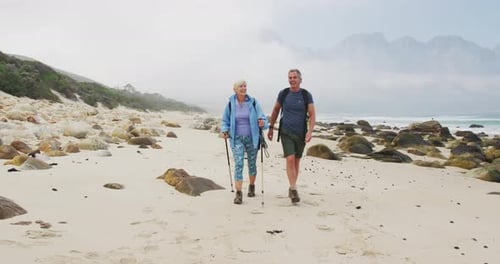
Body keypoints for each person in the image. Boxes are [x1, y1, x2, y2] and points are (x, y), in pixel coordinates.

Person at [267, 69, 316, 203]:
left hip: (300, 133)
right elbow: (276, 110)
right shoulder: (284, 94)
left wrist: (310, 131)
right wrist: (271, 127)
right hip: (286, 132)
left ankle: (292, 186)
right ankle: (293, 189)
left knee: (296, 161)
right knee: (290, 159)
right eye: (290, 77)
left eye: (294, 77)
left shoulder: (306, 95)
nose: (292, 80)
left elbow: (312, 114)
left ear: (300, 79)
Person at [221, 80, 268, 204]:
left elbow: (262, 117)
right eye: (240, 86)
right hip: (236, 138)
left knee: (252, 163)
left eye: (245, 86)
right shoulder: (231, 104)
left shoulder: (253, 102)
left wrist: (263, 122)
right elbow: (225, 120)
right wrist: (225, 130)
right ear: (235, 89)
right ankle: (238, 193)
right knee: (239, 163)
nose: (243, 88)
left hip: (252, 138)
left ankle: (251, 186)